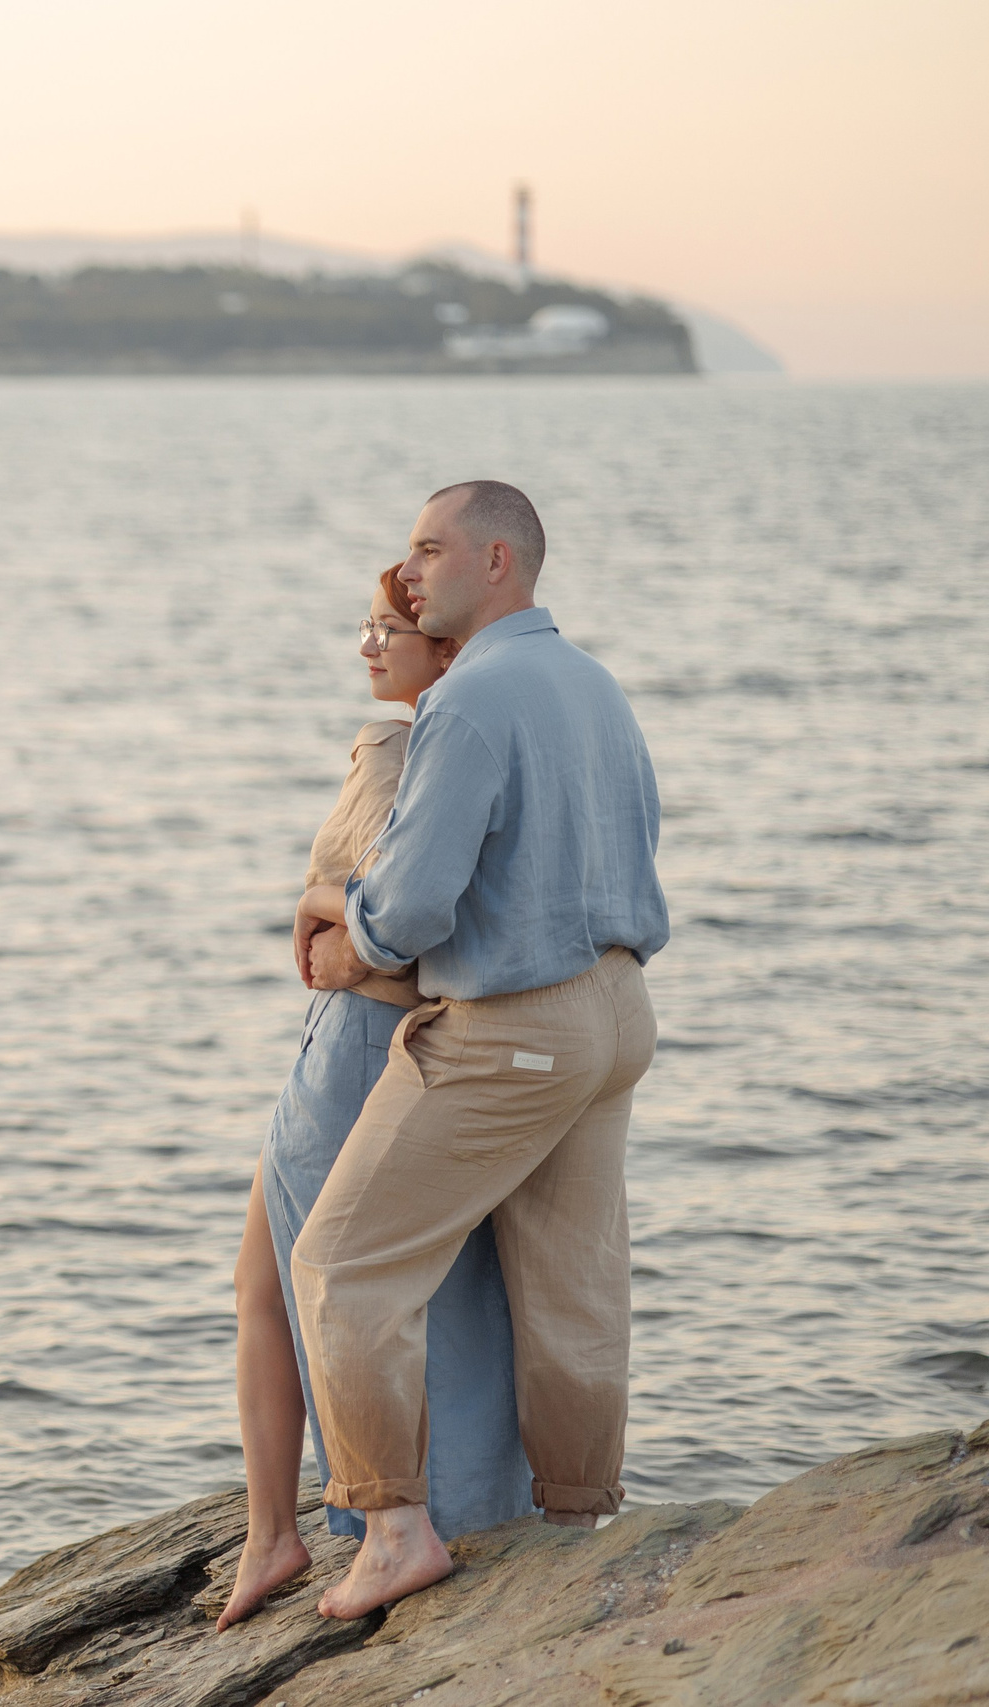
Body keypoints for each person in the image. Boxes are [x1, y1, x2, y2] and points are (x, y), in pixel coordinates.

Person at [288, 480, 671, 1621]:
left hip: (515, 1030)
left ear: (498, 561)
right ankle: (576, 1523)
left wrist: (336, 919)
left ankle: (394, 1531)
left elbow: (409, 908)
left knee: (339, 1266)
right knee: (573, 1285)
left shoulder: (466, 701)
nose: (409, 574)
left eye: (428, 549)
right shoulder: (593, 683)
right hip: (618, 1011)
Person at [216, 568, 533, 1632]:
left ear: (444, 648)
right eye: (367, 624)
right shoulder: (444, 749)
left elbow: (377, 929)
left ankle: (333, 1528)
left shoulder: (400, 751)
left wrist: (316, 909)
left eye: (389, 627)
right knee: (282, 1283)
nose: (368, 644)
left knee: (316, 1290)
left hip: (355, 1048)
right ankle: (282, 1530)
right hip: (362, 1041)